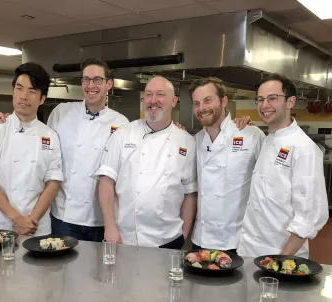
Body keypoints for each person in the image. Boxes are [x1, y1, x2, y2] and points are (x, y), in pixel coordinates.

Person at [0, 58, 129, 241]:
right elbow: (39, 142)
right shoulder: (61, 112)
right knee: (62, 268)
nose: (91, 85)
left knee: (98, 269)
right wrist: (7, 122)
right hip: (63, 216)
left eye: (97, 80)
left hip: (100, 219)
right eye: (86, 80)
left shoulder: (121, 123)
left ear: (108, 85)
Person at [96, 76, 197, 249]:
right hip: (124, 237)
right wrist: (110, 227)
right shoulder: (123, 134)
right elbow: (106, 181)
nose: (153, 100)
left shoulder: (187, 141)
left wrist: (184, 233)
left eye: (160, 95)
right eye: (148, 95)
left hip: (168, 239)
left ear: (174, 101)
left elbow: (190, 192)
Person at [238, 73, 329, 258]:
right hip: (249, 249)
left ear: (290, 102)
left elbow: (310, 216)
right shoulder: (268, 140)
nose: (264, 105)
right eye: (260, 99)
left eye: (273, 98)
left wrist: (280, 260)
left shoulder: (304, 149)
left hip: (279, 255)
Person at [0, 62, 63, 236]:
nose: (24, 96)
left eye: (32, 91)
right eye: (19, 88)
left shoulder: (50, 136)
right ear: (13, 91)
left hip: (36, 226)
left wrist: (30, 221)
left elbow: (53, 182)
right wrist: (17, 218)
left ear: (42, 99)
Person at [190, 77, 265, 252]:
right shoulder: (195, 141)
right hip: (201, 239)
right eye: (196, 103)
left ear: (224, 101)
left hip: (237, 241)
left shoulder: (251, 135)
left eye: (208, 100)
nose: (202, 108)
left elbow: (266, 186)